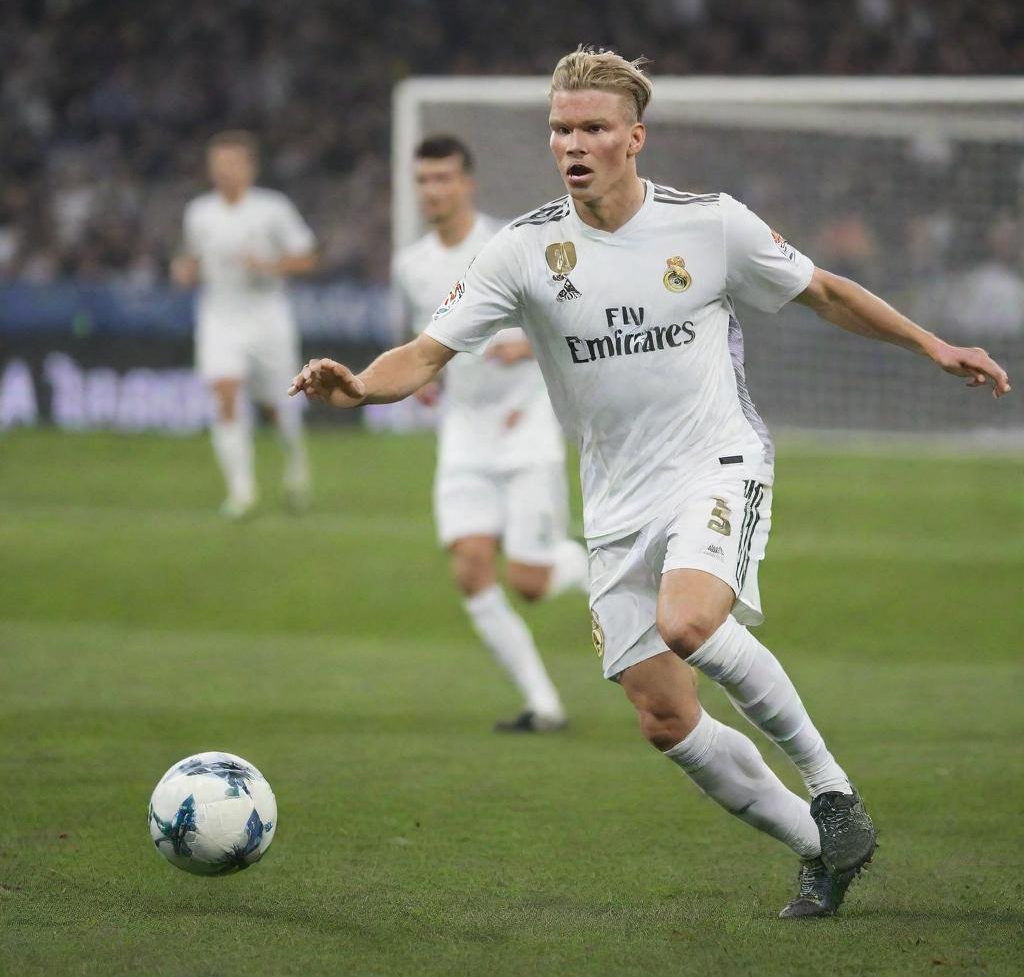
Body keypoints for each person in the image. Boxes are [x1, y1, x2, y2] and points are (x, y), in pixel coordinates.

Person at [290, 49, 1011, 917]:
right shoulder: (521, 251)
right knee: (664, 718)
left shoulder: (708, 225)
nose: (574, 143)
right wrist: (363, 384)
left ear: (635, 137)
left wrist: (933, 345)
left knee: (690, 622)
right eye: (561, 129)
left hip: (717, 458)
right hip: (615, 499)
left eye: (593, 127)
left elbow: (821, 291)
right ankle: (823, 848)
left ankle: (832, 790)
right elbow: (427, 351)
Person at [392, 135, 589, 732]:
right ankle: (544, 704)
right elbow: (431, 342)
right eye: (424, 180)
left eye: (444, 179)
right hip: (464, 434)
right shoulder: (411, 265)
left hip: (525, 426)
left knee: (529, 583)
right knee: (471, 569)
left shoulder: (511, 245)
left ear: (467, 183)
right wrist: (428, 382)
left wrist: (525, 345)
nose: (433, 191)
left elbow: (573, 319)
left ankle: (588, 563)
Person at [171, 131, 318, 518]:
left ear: (250, 169)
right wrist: (184, 270)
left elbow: (307, 259)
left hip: (267, 316)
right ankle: (242, 491)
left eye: (232, 163)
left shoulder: (273, 209)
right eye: (218, 164)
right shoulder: (198, 213)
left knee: (278, 405)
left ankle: (296, 461)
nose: (224, 171)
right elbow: (190, 259)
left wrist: (269, 266)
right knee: (225, 392)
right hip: (219, 316)